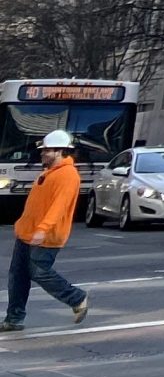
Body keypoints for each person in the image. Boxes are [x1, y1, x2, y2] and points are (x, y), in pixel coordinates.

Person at [3, 129, 91, 332]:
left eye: (47, 150)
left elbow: (58, 206)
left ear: (60, 151)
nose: (42, 153)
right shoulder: (49, 172)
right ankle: (14, 319)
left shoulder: (68, 175)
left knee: (39, 272)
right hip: (27, 233)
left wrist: (42, 229)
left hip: (46, 236)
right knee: (18, 277)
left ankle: (76, 298)